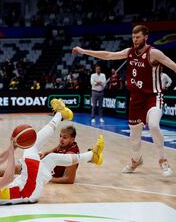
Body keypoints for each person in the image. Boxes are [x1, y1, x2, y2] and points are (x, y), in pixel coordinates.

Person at [72, 25, 176, 176]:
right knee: (134, 138)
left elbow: (173, 65)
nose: (135, 40)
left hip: (153, 96)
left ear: (145, 37)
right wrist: (84, 51)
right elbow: (108, 55)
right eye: (133, 37)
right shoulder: (129, 52)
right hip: (135, 99)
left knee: (153, 125)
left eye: (138, 37)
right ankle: (136, 160)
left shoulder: (154, 53)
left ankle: (162, 160)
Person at [0, 99, 104, 205]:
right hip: (26, 190)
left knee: (51, 158)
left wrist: (13, 146)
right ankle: (60, 114)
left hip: (28, 187)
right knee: (30, 146)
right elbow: (8, 178)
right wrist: (12, 154)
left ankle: (93, 155)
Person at [0, 125, 80, 184]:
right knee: (18, 168)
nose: (61, 139)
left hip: (46, 172)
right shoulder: (65, 144)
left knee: (18, 170)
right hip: (47, 166)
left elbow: (70, 180)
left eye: (64, 137)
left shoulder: (72, 154)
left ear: (72, 139)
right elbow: (57, 148)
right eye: (60, 136)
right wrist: (45, 153)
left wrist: (50, 179)